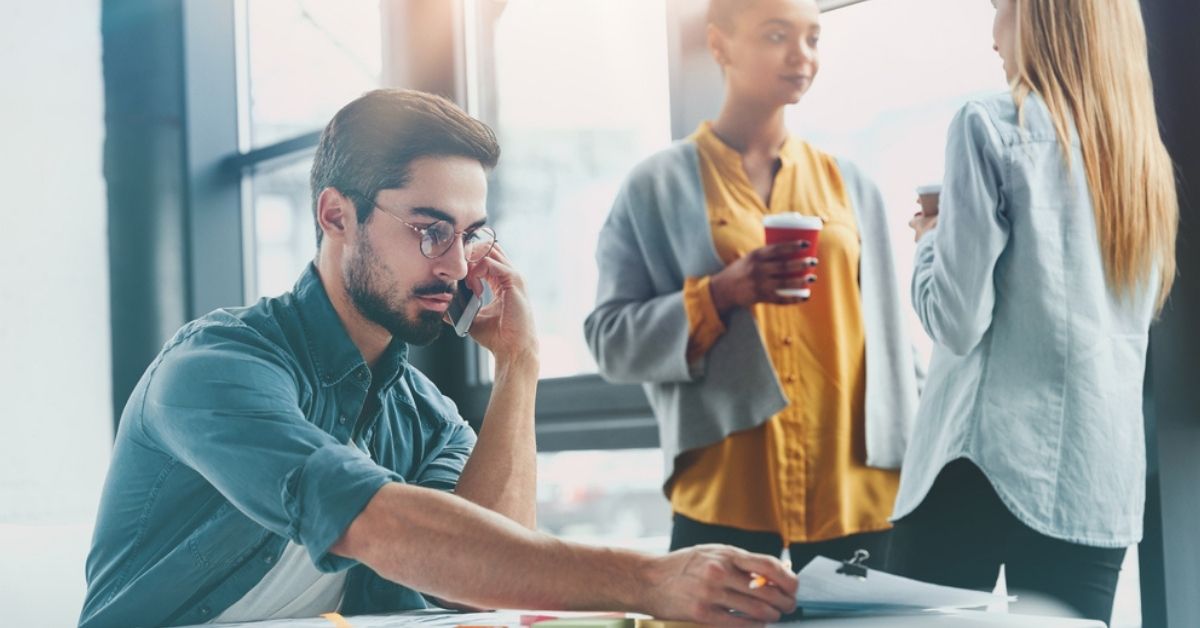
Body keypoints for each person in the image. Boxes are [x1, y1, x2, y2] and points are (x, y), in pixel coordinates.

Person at [79, 89, 797, 628]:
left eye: (469, 234)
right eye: (429, 230)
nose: (455, 265)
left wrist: (520, 366)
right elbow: (376, 520)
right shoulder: (215, 369)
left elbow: (475, 580)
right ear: (335, 215)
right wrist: (649, 579)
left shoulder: (420, 414)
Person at [584, 0, 921, 572]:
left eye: (813, 37)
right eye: (775, 35)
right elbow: (610, 341)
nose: (802, 56)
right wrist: (720, 294)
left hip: (858, 499)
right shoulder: (655, 186)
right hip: (724, 499)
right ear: (719, 46)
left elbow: (892, 345)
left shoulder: (853, 185)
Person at [887, 0, 1178, 623]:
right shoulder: (1140, 159)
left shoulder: (989, 124)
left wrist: (928, 241)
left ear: (1044, 17)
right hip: (1095, 477)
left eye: (1001, 9)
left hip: (980, 464)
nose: (993, 34)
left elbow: (957, 321)